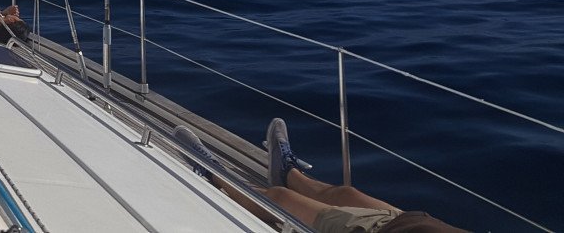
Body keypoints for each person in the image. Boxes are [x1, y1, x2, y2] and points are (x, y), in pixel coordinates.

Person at [170, 118, 469, 233]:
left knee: (280, 200)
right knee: (345, 194)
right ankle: (288, 172)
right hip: (411, 222)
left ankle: (216, 177)